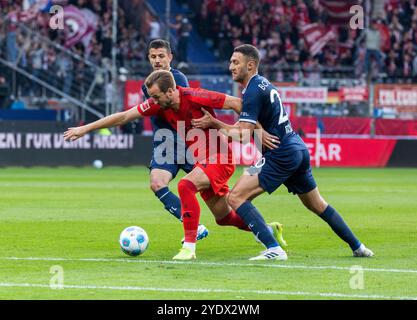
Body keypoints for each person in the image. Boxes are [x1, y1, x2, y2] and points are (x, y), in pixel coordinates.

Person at [63, 70, 286, 260]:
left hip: (220, 157)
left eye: (156, 96)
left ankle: (189, 247)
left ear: (171, 91)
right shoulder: (158, 105)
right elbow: (123, 116)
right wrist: (84, 129)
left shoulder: (197, 96)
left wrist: (259, 132)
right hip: (203, 160)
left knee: (185, 186)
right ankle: (268, 231)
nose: (153, 101)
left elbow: (238, 104)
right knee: (224, 217)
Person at [192, 44, 374, 260]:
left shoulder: (251, 90)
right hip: (296, 147)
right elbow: (251, 127)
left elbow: (241, 135)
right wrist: (255, 132)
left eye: (235, 62)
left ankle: (274, 248)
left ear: (250, 65)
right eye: (230, 62)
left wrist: (214, 123)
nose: (230, 66)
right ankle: (358, 247)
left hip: (280, 152)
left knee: (236, 197)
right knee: (317, 204)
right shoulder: (263, 85)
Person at [142, 39, 209, 242]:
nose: (157, 60)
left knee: (219, 197)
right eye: (153, 56)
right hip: (165, 145)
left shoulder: (177, 78)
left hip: (185, 142)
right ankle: (194, 227)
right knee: (156, 183)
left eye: (161, 56)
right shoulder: (147, 84)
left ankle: (260, 227)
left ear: (170, 57)